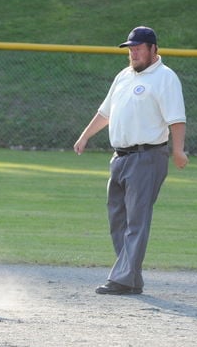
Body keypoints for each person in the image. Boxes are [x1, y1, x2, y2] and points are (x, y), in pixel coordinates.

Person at [73, 26, 187, 295]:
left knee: (137, 220)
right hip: (120, 157)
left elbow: (177, 118)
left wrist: (178, 150)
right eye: (130, 49)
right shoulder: (123, 76)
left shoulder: (165, 78)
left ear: (153, 49)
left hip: (147, 156)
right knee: (117, 219)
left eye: (138, 48)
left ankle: (122, 278)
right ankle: (131, 277)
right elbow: (105, 112)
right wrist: (85, 135)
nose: (133, 53)